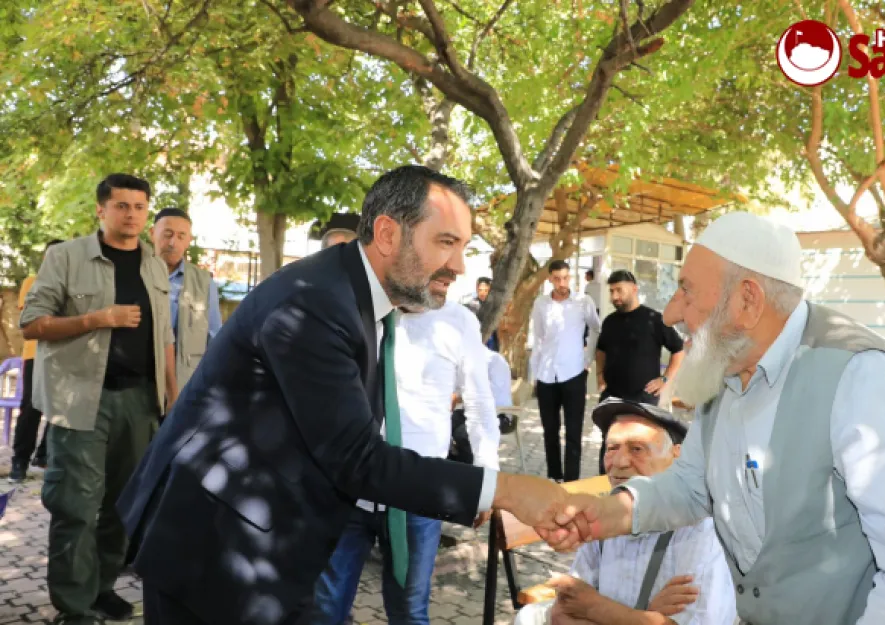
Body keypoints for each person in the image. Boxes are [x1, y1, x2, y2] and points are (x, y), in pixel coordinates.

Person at [116, 165, 584, 625]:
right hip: (213, 550)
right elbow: (355, 458)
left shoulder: (357, 297)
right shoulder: (316, 302)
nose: (459, 267)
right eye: (446, 243)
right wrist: (507, 490)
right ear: (387, 234)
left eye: (462, 248)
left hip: (263, 544)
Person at [546, 212, 885, 625]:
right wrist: (605, 512)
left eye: (686, 291)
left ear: (747, 300)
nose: (671, 312)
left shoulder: (865, 378)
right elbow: (690, 486)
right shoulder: (725, 372)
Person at [20, 174, 177, 624]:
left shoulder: (152, 264)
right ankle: (73, 607)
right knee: (75, 507)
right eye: (122, 205)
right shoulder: (65, 257)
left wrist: (173, 396)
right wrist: (96, 319)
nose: (131, 214)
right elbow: (31, 324)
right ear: (101, 210)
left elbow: (163, 335)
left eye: (140, 206)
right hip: (82, 402)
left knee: (122, 506)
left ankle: (102, 588)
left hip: (140, 404)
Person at [312, 295, 501, 625]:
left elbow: (480, 404)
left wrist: (488, 476)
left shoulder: (458, 321)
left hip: (419, 494)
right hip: (351, 490)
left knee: (409, 610)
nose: (451, 271)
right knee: (327, 607)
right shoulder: (361, 310)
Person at [515, 398, 735, 625]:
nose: (618, 462)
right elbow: (565, 613)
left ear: (677, 456)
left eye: (637, 449)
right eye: (611, 448)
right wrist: (644, 616)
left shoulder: (702, 531)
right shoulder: (601, 518)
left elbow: (583, 605)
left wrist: (597, 607)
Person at [595, 270, 685, 473]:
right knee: (610, 448)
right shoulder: (609, 322)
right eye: (611, 291)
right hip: (612, 398)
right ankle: (606, 493)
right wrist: (600, 375)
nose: (614, 296)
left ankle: (638, 494)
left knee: (639, 449)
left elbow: (678, 350)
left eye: (619, 290)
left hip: (643, 398)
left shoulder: (654, 319)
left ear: (634, 289)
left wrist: (664, 379)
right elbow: (600, 350)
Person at [530, 259, 601, 482]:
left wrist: (587, 359)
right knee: (550, 431)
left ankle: (571, 482)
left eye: (566, 277)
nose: (562, 282)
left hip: (574, 373)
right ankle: (554, 477)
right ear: (550, 279)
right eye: (557, 278)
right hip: (546, 375)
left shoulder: (583, 301)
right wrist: (535, 373)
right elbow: (539, 338)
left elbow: (596, 329)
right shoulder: (541, 304)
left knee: (573, 432)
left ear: (571, 277)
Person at [8, 238, 65, 482]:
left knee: (60, 408)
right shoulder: (32, 282)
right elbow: (34, 316)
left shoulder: (71, 284)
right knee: (31, 407)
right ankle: (19, 461)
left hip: (64, 353)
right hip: (36, 353)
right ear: (45, 258)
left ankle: (44, 456)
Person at [151, 208, 222, 391]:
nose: (173, 242)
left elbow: (214, 336)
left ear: (189, 240)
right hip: (144, 383)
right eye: (167, 234)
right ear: (152, 234)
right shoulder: (138, 273)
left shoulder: (204, 283)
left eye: (181, 236)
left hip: (187, 383)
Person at [463, 277, 499, 352]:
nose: (483, 293)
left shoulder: (495, 305)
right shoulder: (471, 305)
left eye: (486, 290)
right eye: (480, 290)